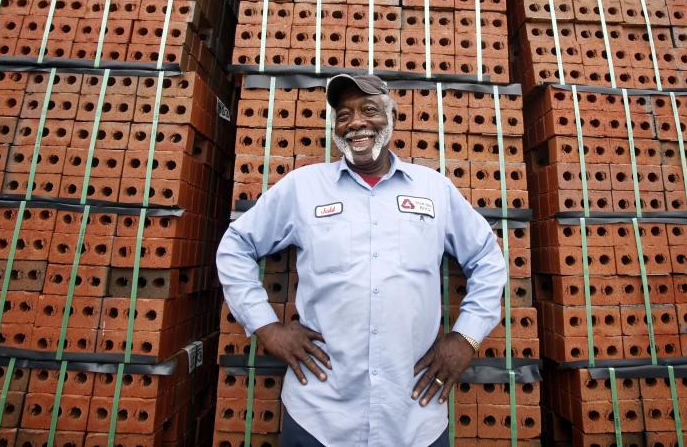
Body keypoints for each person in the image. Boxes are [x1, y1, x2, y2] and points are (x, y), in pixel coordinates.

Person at [217, 73, 507, 447]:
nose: (355, 122)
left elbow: (487, 256)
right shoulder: (303, 188)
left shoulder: (433, 189)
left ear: (391, 117)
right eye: (343, 114)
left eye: (368, 109)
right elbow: (235, 245)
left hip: (413, 418)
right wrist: (266, 328)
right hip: (318, 416)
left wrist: (467, 336)